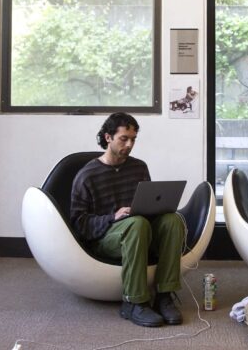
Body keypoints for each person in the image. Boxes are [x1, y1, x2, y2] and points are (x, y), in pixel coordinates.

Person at [69, 113, 187, 327]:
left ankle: (164, 295)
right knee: (137, 224)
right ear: (108, 137)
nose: (129, 144)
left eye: (133, 139)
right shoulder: (87, 175)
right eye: (124, 138)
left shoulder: (139, 167)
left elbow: (149, 205)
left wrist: (158, 209)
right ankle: (134, 302)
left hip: (139, 231)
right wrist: (112, 217)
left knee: (172, 220)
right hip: (106, 238)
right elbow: (79, 224)